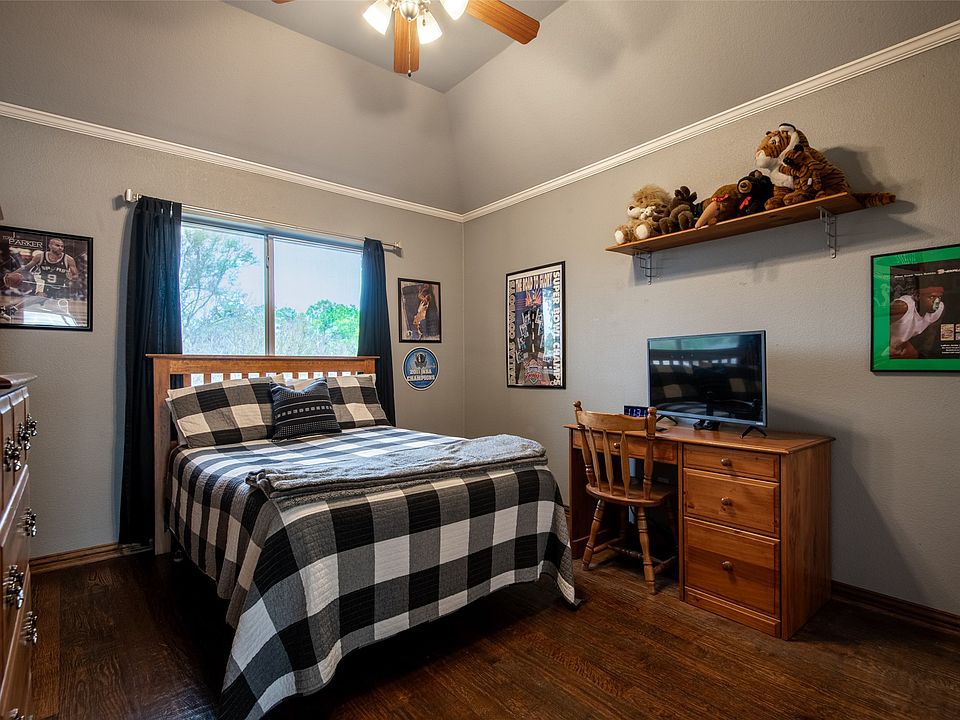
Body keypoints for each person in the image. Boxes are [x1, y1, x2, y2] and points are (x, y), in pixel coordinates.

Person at [889, 284, 945, 358]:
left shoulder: (939, 308)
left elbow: (930, 335)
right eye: (931, 297)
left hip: (899, 344)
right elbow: (877, 325)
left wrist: (922, 354)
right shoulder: (902, 307)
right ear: (917, 297)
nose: (936, 302)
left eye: (939, 297)